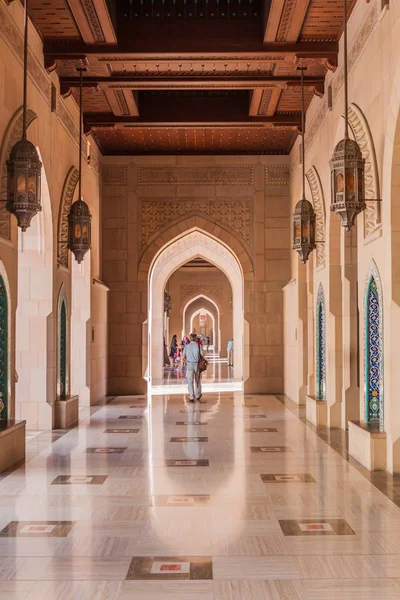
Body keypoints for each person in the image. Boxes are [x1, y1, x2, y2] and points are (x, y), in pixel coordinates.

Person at [183, 332, 203, 402]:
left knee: (190, 380)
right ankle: (198, 395)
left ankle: (191, 396)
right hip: (197, 364)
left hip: (189, 364)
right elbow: (202, 355)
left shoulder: (186, 346)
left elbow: (183, 357)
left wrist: (187, 359)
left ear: (190, 338)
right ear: (196, 338)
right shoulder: (198, 346)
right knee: (197, 380)